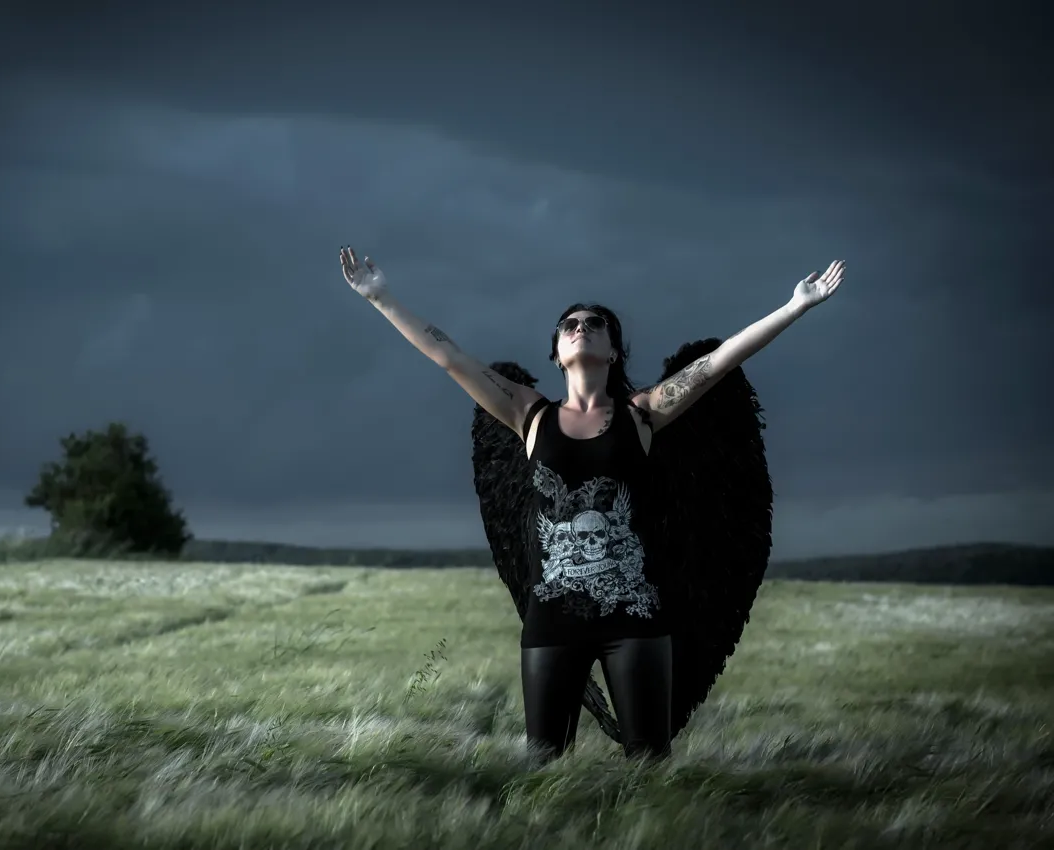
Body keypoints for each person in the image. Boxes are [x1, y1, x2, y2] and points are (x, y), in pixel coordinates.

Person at [339, 246, 844, 762]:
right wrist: (381, 298)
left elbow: (718, 363)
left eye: (595, 323)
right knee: (544, 768)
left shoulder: (643, 414)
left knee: (649, 765)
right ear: (557, 353)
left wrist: (794, 306)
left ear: (614, 351)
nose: (581, 327)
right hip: (552, 622)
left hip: (636, 620)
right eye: (570, 324)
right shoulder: (527, 413)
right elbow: (449, 357)